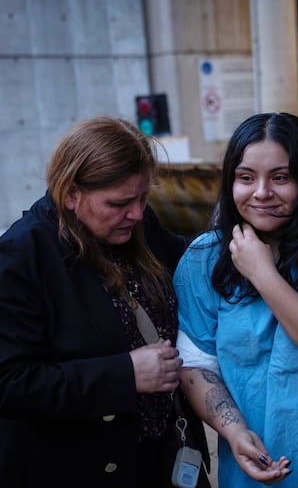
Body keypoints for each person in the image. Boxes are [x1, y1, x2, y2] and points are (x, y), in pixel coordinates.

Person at [0, 117, 209, 488]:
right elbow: (11, 383)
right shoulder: (22, 256)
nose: (137, 213)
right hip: (77, 471)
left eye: (144, 197)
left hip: (164, 461)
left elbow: (196, 262)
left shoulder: (136, 226)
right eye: (120, 202)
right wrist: (123, 374)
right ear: (70, 194)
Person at [174, 112, 298, 487]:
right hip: (252, 471)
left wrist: (263, 275)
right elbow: (195, 364)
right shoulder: (204, 257)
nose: (262, 192)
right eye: (246, 177)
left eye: (280, 177)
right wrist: (233, 433)